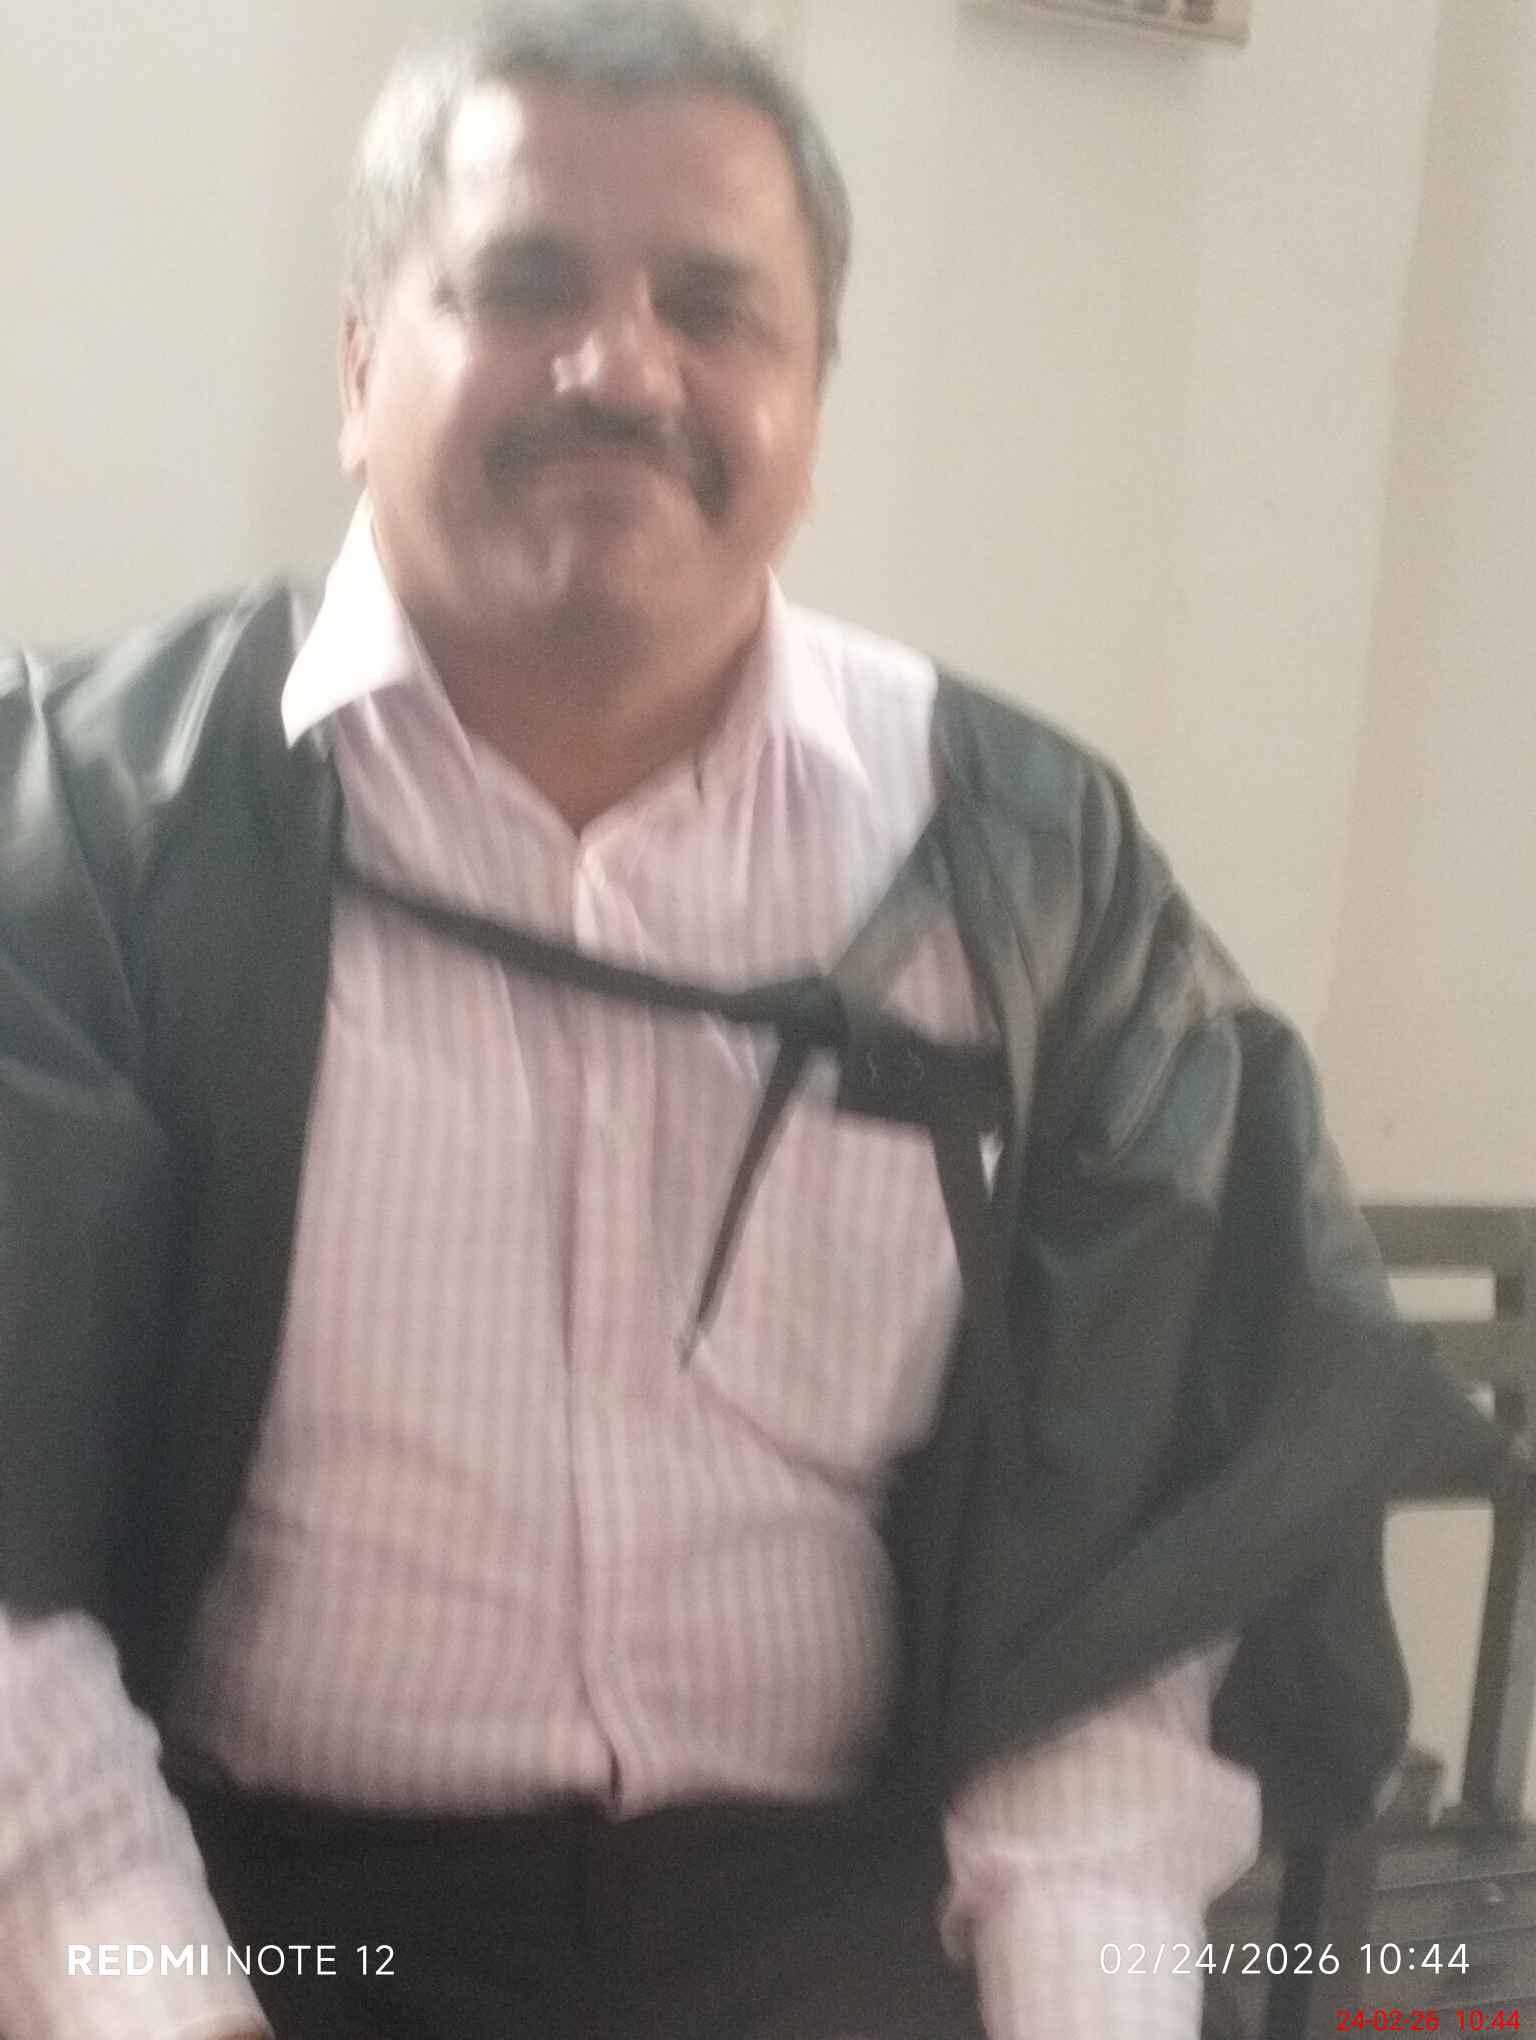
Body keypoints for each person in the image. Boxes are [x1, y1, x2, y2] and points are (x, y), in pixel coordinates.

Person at [0, 5, 1497, 2038]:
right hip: (268, 1925)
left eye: (714, 310)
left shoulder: (1028, 878)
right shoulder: (87, 838)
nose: (622, 370)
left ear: (809, 397)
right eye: (524, 284)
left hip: (844, 1940)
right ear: (359, 369)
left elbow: (1122, 1598)